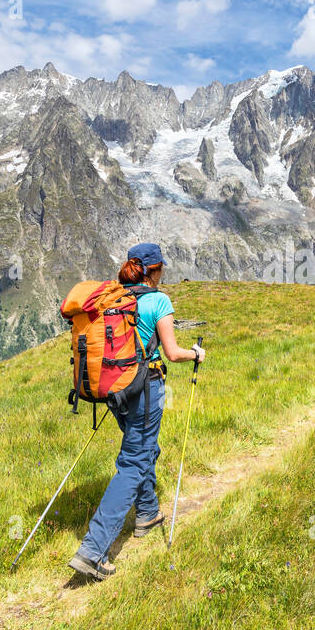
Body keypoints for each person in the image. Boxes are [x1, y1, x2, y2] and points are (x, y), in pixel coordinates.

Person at [69, 243, 204, 581]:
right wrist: (196, 354)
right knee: (133, 462)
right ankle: (93, 550)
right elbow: (171, 353)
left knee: (142, 449)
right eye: (161, 267)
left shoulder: (113, 300)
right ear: (152, 270)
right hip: (145, 386)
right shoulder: (158, 300)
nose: (163, 272)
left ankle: (146, 513)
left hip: (115, 389)